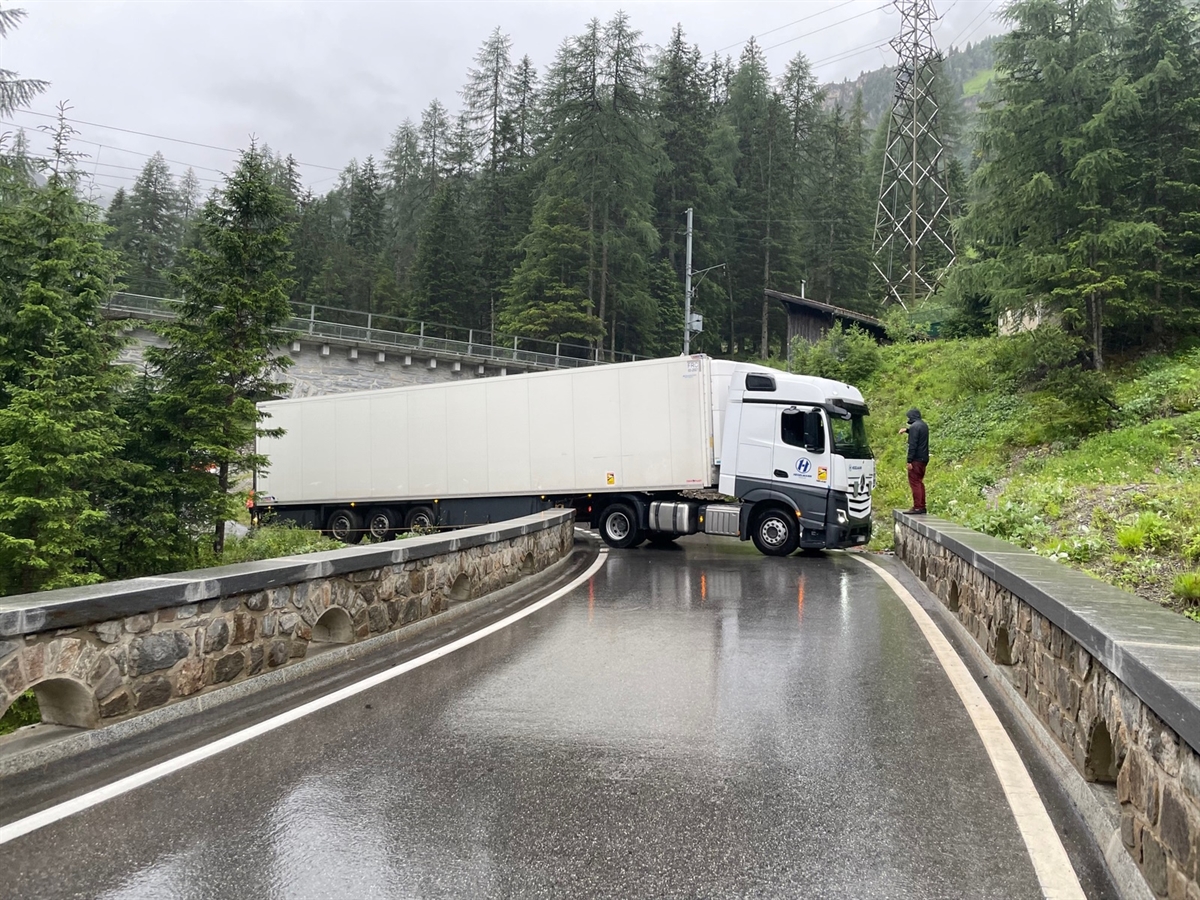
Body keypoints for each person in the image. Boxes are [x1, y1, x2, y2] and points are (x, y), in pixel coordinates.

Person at [898, 408, 928, 514]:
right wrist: (907, 430)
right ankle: (922, 506)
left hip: (916, 459)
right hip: (924, 458)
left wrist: (909, 460)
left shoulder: (914, 427)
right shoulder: (923, 425)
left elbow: (913, 445)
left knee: (915, 482)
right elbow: (917, 434)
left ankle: (917, 507)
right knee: (919, 482)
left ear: (912, 417)